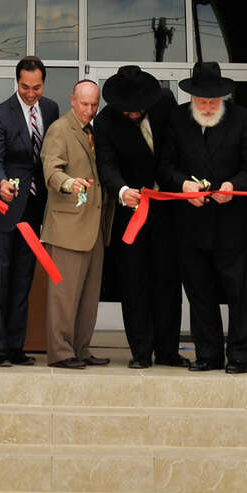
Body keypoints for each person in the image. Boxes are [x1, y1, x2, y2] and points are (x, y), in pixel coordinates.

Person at [159, 61, 247, 373]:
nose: (207, 106)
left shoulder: (242, 119)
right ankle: (208, 353)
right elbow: (165, 165)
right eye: (202, 101)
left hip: (232, 222)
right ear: (191, 98)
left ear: (222, 98)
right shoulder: (177, 119)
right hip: (191, 223)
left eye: (212, 101)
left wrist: (234, 186)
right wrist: (183, 185)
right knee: (199, 291)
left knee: (239, 293)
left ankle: (241, 355)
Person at [95, 64, 187, 370]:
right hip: (131, 210)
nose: (134, 114)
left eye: (138, 109)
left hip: (166, 209)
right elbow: (106, 165)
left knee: (167, 280)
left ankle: (169, 351)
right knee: (134, 282)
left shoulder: (165, 103)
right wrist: (122, 190)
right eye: (128, 110)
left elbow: (175, 149)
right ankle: (141, 351)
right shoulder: (106, 121)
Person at [0, 56, 59, 367]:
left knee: (23, 277)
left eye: (36, 87)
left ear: (43, 84)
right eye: (25, 87)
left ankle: (15, 345)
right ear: (17, 83)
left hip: (34, 207)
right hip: (3, 207)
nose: (30, 93)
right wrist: (0, 182)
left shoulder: (51, 109)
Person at [40, 79, 112, 369]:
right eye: (84, 104)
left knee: (88, 297)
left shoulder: (93, 130)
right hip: (67, 229)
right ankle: (60, 353)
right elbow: (51, 168)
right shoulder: (60, 129)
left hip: (93, 227)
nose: (90, 110)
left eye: (94, 104)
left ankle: (81, 349)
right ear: (72, 100)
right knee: (63, 298)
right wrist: (69, 183)